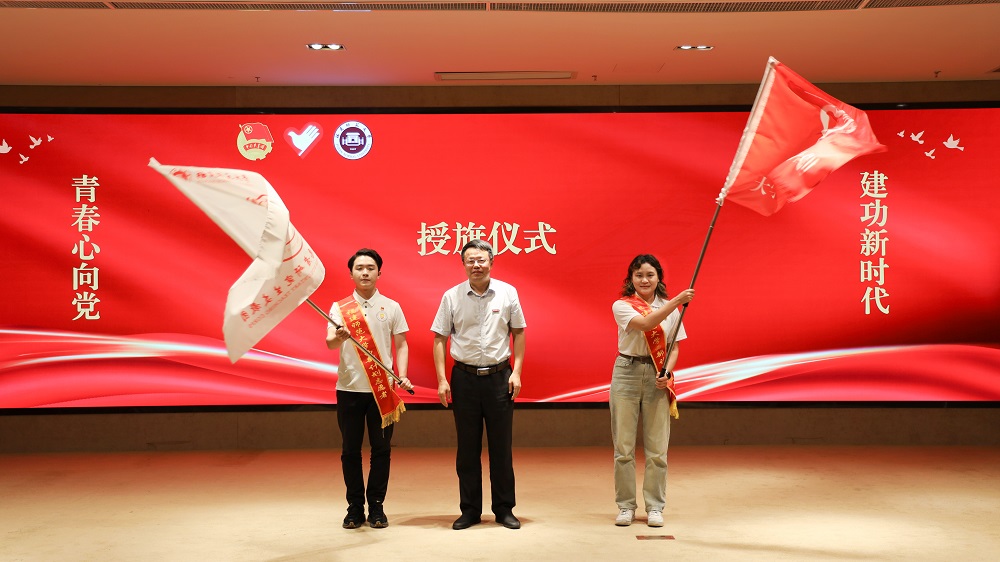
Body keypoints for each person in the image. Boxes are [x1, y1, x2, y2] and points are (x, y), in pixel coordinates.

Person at [431, 239, 526, 530]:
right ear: (463, 264)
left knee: (501, 448)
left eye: (481, 260)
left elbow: (519, 333)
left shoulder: (508, 292)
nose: (476, 265)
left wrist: (517, 372)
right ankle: (470, 510)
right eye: (470, 260)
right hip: (464, 379)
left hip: (500, 378)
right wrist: (442, 380)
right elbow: (440, 338)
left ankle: (504, 509)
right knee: (467, 450)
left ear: (491, 262)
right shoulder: (451, 296)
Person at [326, 248, 413, 530]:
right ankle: (354, 508)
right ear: (351, 273)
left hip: (382, 390)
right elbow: (330, 343)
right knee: (350, 451)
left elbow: (401, 344)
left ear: (379, 272)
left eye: (370, 268)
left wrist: (402, 375)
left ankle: (376, 506)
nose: (365, 272)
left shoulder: (392, 306)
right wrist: (339, 337)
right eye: (359, 268)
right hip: (349, 389)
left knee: (381, 450)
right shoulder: (339, 308)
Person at [610, 254, 694, 528]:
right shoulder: (622, 305)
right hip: (626, 372)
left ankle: (655, 507)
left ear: (658, 278)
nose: (644, 280)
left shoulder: (671, 308)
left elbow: (674, 346)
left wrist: (667, 372)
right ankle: (626, 506)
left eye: (649, 275)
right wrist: (676, 301)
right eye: (638, 275)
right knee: (623, 448)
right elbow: (646, 324)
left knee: (657, 449)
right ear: (631, 279)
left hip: (657, 375)